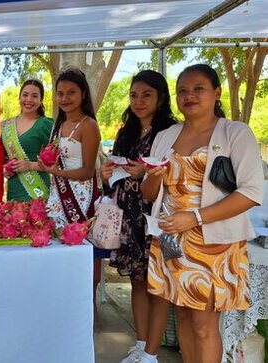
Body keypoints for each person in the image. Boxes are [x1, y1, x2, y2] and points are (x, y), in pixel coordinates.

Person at [141, 64, 263, 363]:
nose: (189, 96)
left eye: (198, 89)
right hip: (172, 241)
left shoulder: (235, 132)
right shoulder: (166, 135)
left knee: (204, 324)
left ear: (216, 92)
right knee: (182, 315)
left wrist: (194, 218)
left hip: (213, 241)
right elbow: (149, 192)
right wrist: (154, 176)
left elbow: (250, 193)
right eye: (182, 90)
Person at [99, 70, 177, 363]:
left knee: (155, 285)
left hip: (154, 215)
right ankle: (140, 346)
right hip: (128, 216)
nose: (139, 101)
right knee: (137, 281)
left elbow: (175, 175)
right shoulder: (126, 131)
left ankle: (151, 354)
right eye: (134, 95)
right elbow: (114, 179)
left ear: (160, 98)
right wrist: (108, 175)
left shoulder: (171, 132)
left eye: (146, 95)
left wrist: (147, 172)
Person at [38, 67, 104, 303]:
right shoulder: (58, 125)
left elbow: (87, 170)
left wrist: (56, 171)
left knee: (80, 252)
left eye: (71, 93)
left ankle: (87, 307)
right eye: (60, 93)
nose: (64, 98)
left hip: (80, 196)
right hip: (57, 194)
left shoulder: (89, 126)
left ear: (83, 94)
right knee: (57, 251)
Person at [1, 79, 53, 201]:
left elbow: (57, 162)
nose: (28, 100)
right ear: (19, 98)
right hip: (14, 186)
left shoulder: (46, 124)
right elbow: (3, 157)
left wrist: (30, 165)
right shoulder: (7, 125)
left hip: (37, 188)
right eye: (25, 95)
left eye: (34, 96)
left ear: (41, 101)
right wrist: (5, 169)